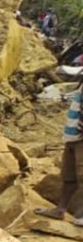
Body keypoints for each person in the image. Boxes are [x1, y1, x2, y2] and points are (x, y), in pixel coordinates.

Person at [36, 81, 83, 226]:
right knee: (69, 176)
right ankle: (60, 209)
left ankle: (81, 214)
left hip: (80, 137)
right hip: (73, 136)